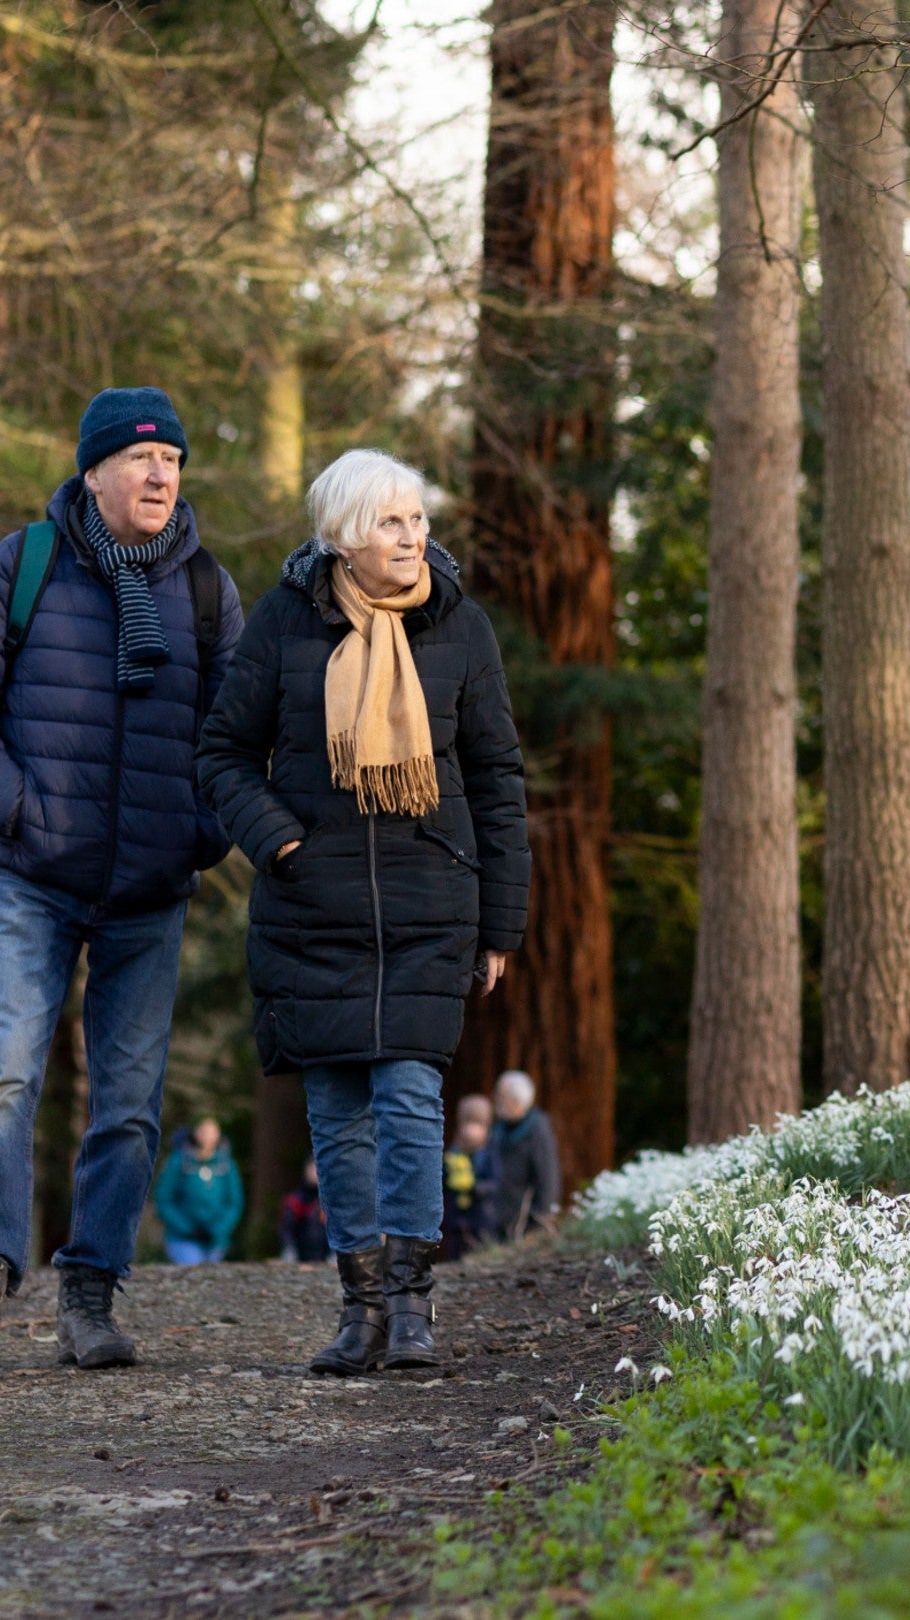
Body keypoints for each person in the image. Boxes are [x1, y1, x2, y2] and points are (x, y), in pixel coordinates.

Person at [0, 388, 242, 1370]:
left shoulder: (204, 591)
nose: (160, 477)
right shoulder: (25, 565)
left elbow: (235, 742)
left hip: (150, 887)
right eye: (142, 460)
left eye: (173, 463)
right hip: (36, 875)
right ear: (94, 471)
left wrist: (195, 835)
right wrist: (20, 809)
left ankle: (91, 1297)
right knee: (4, 1075)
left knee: (132, 1099)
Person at [197, 448, 529, 1378]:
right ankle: (363, 1310)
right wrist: (282, 841)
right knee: (338, 1115)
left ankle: (415, 1305)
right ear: (344, 536)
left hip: (433, 901)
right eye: (392, 522)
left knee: (412, 1098)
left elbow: (499, 777)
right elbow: (222, 753)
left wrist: (503, 921)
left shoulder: (461, 628)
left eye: (418, 519)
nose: (414, 536)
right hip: (315, 905)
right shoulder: (285, 623)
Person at [152, 1117, 243, 1265]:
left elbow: (234, 1202)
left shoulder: (226, 1165)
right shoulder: (178, 1162)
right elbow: (163, 1199)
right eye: (203, 1131)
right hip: (183, 1238)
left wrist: (218, 1228)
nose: (207, 1137)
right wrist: (186, 1228)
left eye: (212, 1132)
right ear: (195, 1133)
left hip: (216, 1239)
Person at [487, 1070, 562, 1244]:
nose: (496, 1100)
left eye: (501, 1096)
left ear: (516, 1100)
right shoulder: (499, 1129)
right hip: (500, 1216)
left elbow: (548, 1176)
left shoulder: (537, 1128)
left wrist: (542, 1216)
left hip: (525, 1220)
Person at [441, 1095, 493, 1263]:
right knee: (455, 1255)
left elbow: (496, 1184)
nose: (471, 1130)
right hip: (456, 1219)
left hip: (481, 1218)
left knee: (482, 1255)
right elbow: (442, 1180)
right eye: (467, 1123)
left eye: (477, 1124)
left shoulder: (489, 1153)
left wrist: (475, 1187)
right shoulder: (454, 1152)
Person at [280, 1160, 330, 1263]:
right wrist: (289, 1249)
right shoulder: (296, 1200)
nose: (315, 1172)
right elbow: (286, 1229)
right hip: (301, 1256)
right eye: (312, 1168)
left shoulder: (331, 1200)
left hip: (327, 1255)